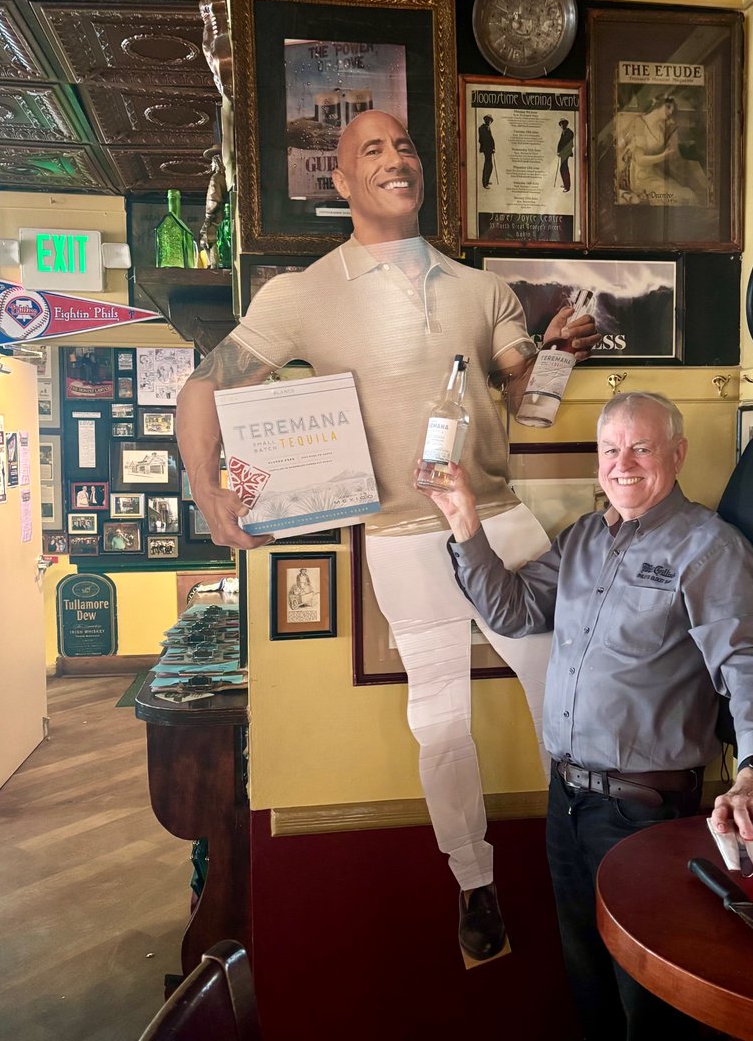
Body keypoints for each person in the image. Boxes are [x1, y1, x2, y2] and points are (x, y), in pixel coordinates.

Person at [175, 109, 598, 961]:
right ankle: (474, 885)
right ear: (340, 183)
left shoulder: (485, 290)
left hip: (500, 514)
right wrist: (207, 489)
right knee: (439, 718)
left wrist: (559, 353)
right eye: (370, 148)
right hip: (400, 534)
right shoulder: (297, 295)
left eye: (404, 144)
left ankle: (586, 861)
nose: (394, 156)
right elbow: (199, 390)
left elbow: (534, 406)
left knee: (569, 689)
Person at [419, 390, 753, 1038]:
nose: (623, 464)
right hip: (566, 804)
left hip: (643, 817)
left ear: (676, 454)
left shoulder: (709, 548)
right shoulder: (585, 540)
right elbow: (512, 610)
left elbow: (748, 662)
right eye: (610, 449)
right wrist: (463, 523)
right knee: (586, 979)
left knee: (648, 1002)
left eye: (641, 447)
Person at [624, 95, 707, 206]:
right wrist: (662, 156)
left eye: (672, 109)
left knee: (688, 194)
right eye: (668, 107)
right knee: (677, 197)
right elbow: (639, 160)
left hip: (654, 172)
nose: (671, 111)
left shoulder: (662, 126)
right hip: (640, 176)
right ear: (657, 104)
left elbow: (675, 141)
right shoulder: (639, 123)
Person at [556, 118, 574, 193]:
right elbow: (561, 143)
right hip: (563, 153)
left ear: (566, 124)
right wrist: (558, 151)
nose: (562, 126)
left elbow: (567, 144)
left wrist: (561, 151)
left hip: (566, 152)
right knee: (564, 168)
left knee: (564, 168)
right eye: (561, 124)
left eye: (563, 124)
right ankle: (566, 184)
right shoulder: (564, 132)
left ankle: (567, 187)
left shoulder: (569, 132)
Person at [477, 114, 495, 188]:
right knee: (488, 165)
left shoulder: (488, 128)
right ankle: (485, 183)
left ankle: (486, 181)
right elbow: (482, 140)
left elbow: (491, 140)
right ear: (485, 120)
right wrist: (490, 148)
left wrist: (493, 148)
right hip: (486, 149)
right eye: (488, 120)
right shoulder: (482, 128)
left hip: (489, 149)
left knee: (489, 165)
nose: (489, 121)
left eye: (490, 120)